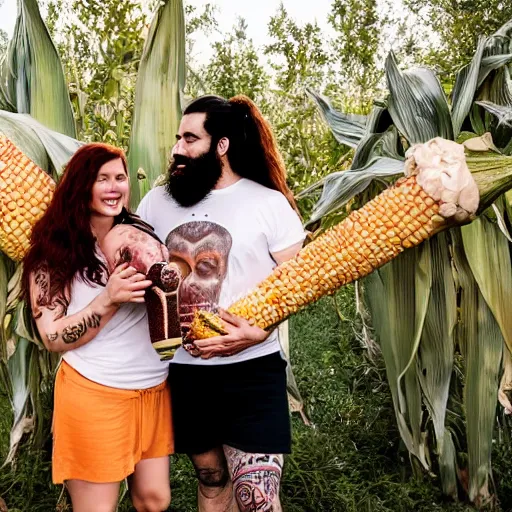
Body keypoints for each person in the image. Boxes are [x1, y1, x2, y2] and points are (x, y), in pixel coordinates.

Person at [136, 94, 306, 512]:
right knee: (212, 479)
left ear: (222, 145)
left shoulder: (269, 204)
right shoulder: (156, 203)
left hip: (253, 368)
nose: (178, 148)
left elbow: (299, 285)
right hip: (184, 371)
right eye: (178, 137)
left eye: (190, 138)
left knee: (258, 499)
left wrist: (259, 331)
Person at [21, 143, 173, 512]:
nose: (113, 187)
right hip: (96, 392)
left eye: (119, 178)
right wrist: (109, 298)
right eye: (100, 178)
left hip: (152, 390)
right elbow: (52, 336)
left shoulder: (139, 234)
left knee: (155, 500)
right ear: (79, 186)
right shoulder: (52, 253)